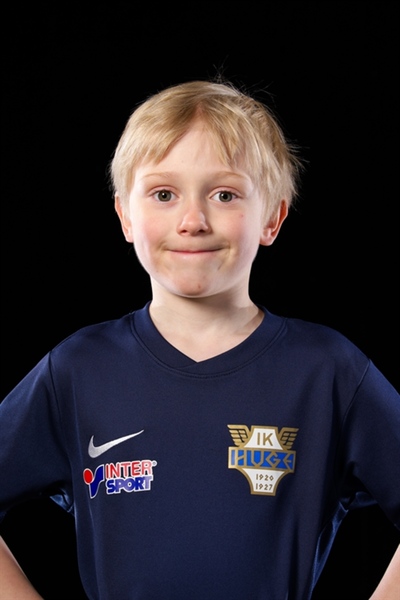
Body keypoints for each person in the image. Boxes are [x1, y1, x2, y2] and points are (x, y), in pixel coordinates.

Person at [0, 80, 399, 600]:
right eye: (164, 194)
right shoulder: (77, 368)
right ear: (125, 216)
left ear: (273, 218)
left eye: (224, 195)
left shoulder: (328, 370)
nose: (192, 221)